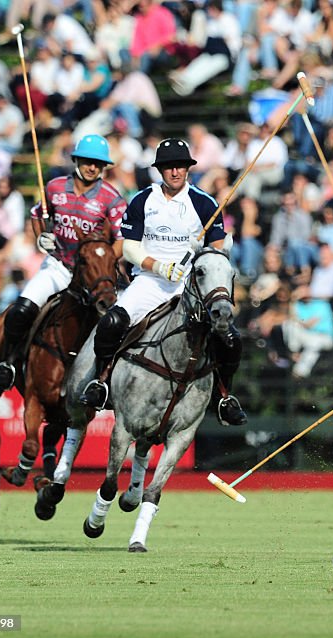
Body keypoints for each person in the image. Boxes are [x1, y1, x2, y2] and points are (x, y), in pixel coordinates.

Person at [78, 138, 247, 425]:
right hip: (149, 281)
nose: (175, 172)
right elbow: (130, 247)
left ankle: (224, 396)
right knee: (111, 324)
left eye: (180, 166)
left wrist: (206, 251)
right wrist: (159, 266)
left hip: (190, 287)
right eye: (169, 167)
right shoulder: (143, 199)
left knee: (229, 338)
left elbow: (218, 252)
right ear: (160, 170)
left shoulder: (205, 203)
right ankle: (101, 381)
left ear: (188, 169)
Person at [0, 135, 126, 390]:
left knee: (115, 324)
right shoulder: (54, 187)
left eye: (98, 163)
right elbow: (37, 214)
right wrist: (42, 237)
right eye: (87, 161)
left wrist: (103, 262)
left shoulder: (112, 198)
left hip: (93, 276)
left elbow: (122, 239)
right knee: (21, 310)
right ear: (76, 160)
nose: (92, 167)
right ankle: (7, 363)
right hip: (58, 267)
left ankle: (104, 382)